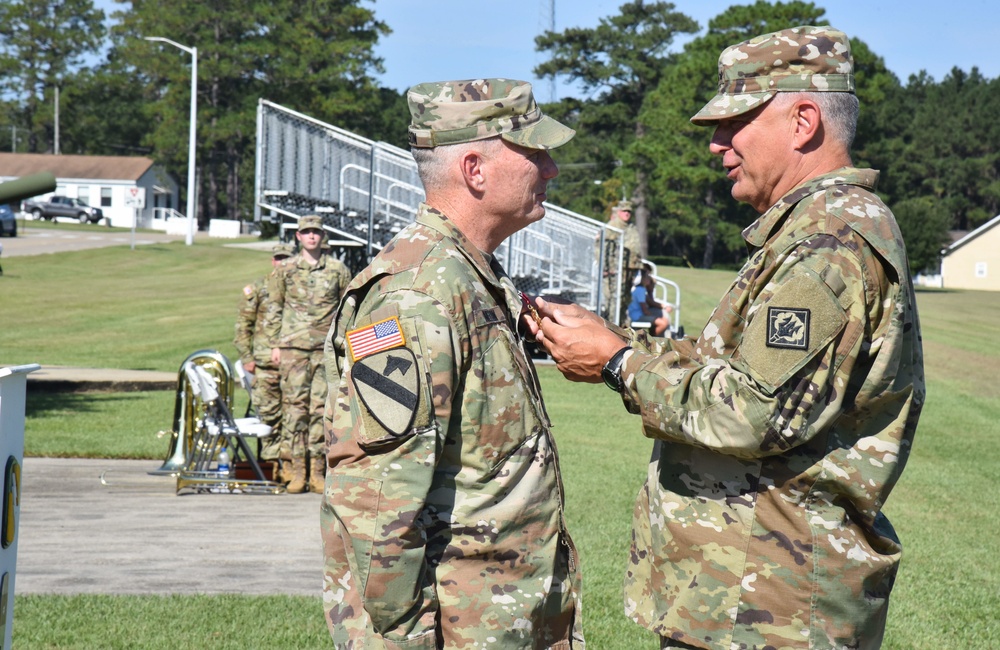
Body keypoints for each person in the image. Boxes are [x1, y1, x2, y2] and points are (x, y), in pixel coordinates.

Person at [528, 26, 924, 650]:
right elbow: (735, 366)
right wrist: (618, 340)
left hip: (772, 611)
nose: (716, 144)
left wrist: (619, 364)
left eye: (734, 121)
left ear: (802, 122)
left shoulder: (830, 243)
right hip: (749, 599)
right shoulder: (808, 232)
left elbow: (748, 414)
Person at [321, 78, 585, 648]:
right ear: (475, 169)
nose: (551, 170)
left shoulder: (467, 276)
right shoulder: (418, 296)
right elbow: (378, 502)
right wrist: (404, 637)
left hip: (498, 620)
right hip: (456, 629)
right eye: (535, 153)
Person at [263, 215, 351, 493]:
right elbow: (273, 308)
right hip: (292, 348)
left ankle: (317, 471)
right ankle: (297, 470)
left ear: (322, 236)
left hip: (323, 349)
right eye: (306, 232)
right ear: (298, 237)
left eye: (316, 232)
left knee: (322, 410)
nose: (311, 236)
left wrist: (343, 346)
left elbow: (346, 310)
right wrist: (274, 345)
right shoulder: (286, 269)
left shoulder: (338, 270)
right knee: (294, 410)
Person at [233, 242, 293, 476]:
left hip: (294, 363)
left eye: (286, 259)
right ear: (272, 261)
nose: (282, 263)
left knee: (294, 417)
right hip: (264, 364)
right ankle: (270, 468)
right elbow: (242, 326)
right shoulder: (259, 288)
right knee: (269, 415)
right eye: (278, 258)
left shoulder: (298, 289)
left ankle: (290, 466)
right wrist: (247, 357)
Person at [598, 199, 642, 322]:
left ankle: (621, 322)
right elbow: (601, 246)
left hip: (630, 268)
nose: (627, 214)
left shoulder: (631, 226)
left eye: (629, 211)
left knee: (625, 298)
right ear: (619, 212)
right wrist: (606, 267)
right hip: (616, 269)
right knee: (614, 298)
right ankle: (613, 323)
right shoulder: (613, 226)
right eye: (624, 211)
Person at [627, 264, 671, 336]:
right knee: (663, 323)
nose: (649, 279)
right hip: (637, 317)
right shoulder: (640, 290)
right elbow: (645, 310)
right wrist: (654, 317)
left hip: (638, 315)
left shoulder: (641, 289)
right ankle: (652, 341)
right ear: (642, 279)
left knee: (663, 320)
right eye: (647, 277)